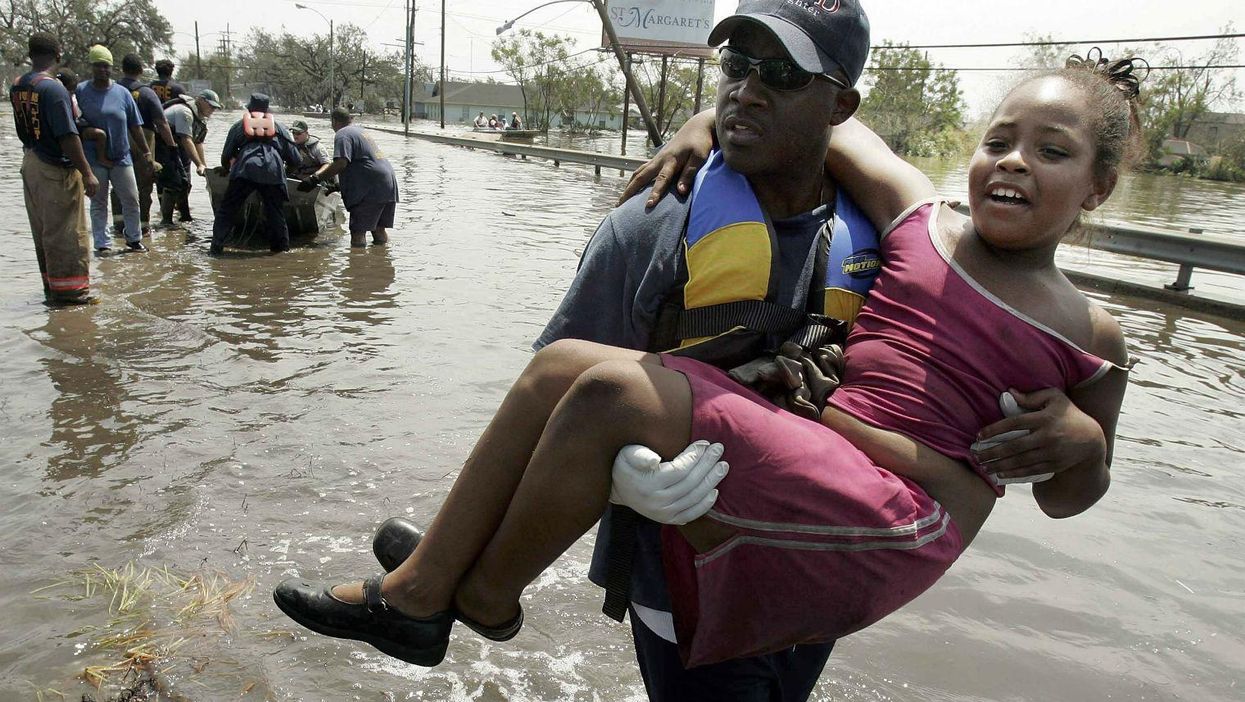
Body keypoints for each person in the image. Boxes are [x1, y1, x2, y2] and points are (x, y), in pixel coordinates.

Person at [273, 0, 1130, 690]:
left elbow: (1066, 486)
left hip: (841, 537)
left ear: (837, 106)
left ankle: (458, 585)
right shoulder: (656, 222)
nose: (747, 93)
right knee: (568, 374)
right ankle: (441, 577)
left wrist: (1082, 443)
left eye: (781, 76)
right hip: (686, 548)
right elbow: (554, 417)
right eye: (734, 71)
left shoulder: (886, 230)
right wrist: (625, 487)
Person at [10, 32, 100, 305]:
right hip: (54, 167)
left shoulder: (19, 84)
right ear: (58, 54)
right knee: (67, 233)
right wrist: (87, 173)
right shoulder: (53, 89)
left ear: (30, 53)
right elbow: (67, 136)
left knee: (44, 231)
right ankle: (72, 295)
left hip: (31, 161)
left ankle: (52, 288)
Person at [75, 44, 151, 254]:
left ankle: (134, 239)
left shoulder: (123, 93)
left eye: (107, 66)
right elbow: (74, 123)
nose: (103, 70)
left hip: (121, 157)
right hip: (94, 158)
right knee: (98, 201)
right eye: (99, 66)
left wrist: (146, 153)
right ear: (92, 67)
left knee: (131, 198)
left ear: (112, 68)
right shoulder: (81, 91)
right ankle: (102, 243)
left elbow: (135, 126)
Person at [210, 93, 300, 254]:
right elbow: (296, 159)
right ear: (267, 110)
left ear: (249, 109)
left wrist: (226, 169)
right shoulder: (280, 128)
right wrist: (284, 175)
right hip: (273, 171)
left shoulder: (238, 126)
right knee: (276, 213)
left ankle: (216, 248)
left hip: (245, 169)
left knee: (227, 210)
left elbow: (226, 155)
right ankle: (281, 252)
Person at [300, 108, 398, 248]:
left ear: (334, 121)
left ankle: (357, 267)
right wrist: (338, 186)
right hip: (388, 183)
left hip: (370, 188)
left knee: (358, 233)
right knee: (378, 229)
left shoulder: (342, 134)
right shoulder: (360, 131)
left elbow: (341, 163)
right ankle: (382, 264)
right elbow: (362, 163)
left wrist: (315, 179)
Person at [111, 54, 176, 238]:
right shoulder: (147, 93)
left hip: (115, 140)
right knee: (145, 184)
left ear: (122, 69)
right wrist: (172, 147)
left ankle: (118, 226)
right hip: (144, 141)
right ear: (141, 71)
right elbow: (162, 123)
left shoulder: (111, 90)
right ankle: (143, 227)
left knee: (117, 184)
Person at [156, 89, 218, 227]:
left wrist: (203, 166)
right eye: (211, 106)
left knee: (185, 183)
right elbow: (186, 140)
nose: (213, 110)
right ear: (200, 100)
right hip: (161, 145)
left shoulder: (200, 119)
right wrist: (198, 164)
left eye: (215, 107)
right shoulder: (185, 112)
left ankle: (185, 217)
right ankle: (166, 221)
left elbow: (198, 143)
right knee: (174, 183)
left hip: (177, 148)